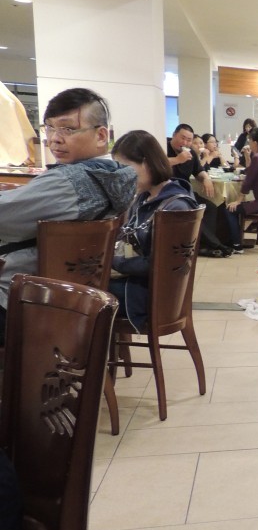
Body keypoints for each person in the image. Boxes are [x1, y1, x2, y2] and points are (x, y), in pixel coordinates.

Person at [0, 88, 136, 343]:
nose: (54, 139)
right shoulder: (115, 177)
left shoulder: (68, 182)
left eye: (68, 129)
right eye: (50, 128)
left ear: (101, 135)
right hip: (75, 300)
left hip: (22, 299)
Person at [109, 130, 200, 331]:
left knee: (82, 297)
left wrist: (112, 262)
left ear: (147, 163)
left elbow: (160, 264)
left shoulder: (176, 206)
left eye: (125, 169)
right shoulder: (144, 198)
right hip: (138, 285)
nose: (122, 177)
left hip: (151, 297)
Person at [224, 126, 258, 251]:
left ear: (255, 143)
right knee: (235, 208)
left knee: (230, 209)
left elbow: (248, 182)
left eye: (249, 141)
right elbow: (251, 171)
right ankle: (237, 240)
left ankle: (236, 245)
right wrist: (247, 156)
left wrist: (238, 201)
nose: (248, 143)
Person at [166, 123, 214, 198]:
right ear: (174, 135)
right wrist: (177, 160)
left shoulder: (191, 153)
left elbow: (198, 171)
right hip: (167, 193)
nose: (185, 143)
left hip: (185, 192)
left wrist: (206, 178)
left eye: (189, 140)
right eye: (182, 138)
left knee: (211, 205)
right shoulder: (163, 147)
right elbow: (157, 164)